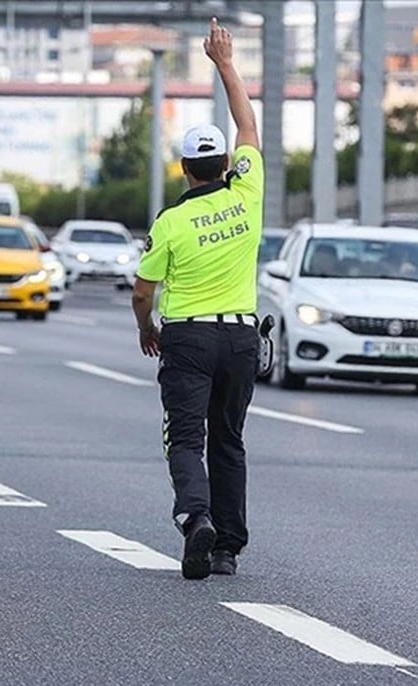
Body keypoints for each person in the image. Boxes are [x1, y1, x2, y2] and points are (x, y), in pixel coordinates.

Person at [131, 18, 264, 581]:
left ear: (185, 169)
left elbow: (143, 291)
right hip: (241, 337)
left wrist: (147, 329)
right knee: (228, 440)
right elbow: (248, 124)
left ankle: (196, 517)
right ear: (226, 165)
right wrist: (225, 63)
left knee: (187, 438)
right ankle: (227, 548)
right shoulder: (248, 193)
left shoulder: (172, 222)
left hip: (187, 338)